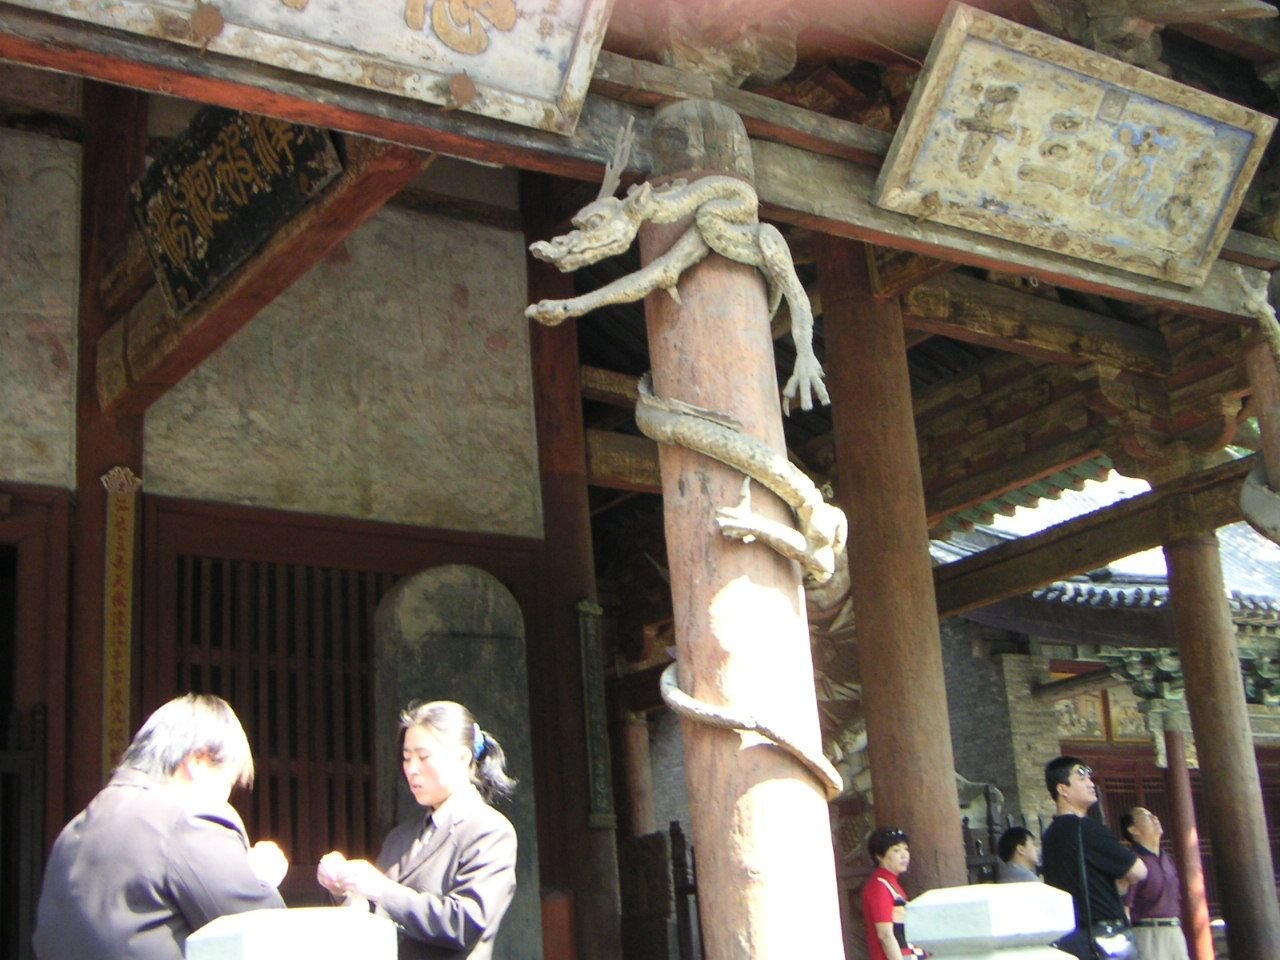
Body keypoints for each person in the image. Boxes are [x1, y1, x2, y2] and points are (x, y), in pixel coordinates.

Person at [32, 693, 287, 960]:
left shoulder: (74, 831)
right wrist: (260, 879)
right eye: (228, 782)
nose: (226, 796)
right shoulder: (189, 818)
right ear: (198, 761)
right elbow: (271, 942)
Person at [318, 700, 518, 960]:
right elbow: (375, 915)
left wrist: (380, 888)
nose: (412, 769)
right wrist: (344, 891)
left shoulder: (490, 831)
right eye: (406, 758)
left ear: (462, 758)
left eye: (423, 757)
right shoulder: (400, 837)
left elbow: (463, 923)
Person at [1041, 756, 1147, 960]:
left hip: (1068, 938)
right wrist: (1121, 881)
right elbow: (1139, 871)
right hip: (1105, 937)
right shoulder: (1087, 829)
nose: (1091, 784)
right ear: (1062, 789)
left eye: (1090, 778)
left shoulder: (1050, 835)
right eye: (1081, 778)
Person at [1120, 807, 1190, 960]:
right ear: (1133, 829)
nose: (1155, 818)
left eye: (1153, 815)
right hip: (1149, 933)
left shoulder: (1167, 858)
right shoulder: (1133, 862)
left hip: (1175, 930)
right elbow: (1125, 907)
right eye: (1147, 816)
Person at [861, 825, 925, 960]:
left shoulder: (890, 883)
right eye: (896, 850)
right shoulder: (879, 886)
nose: (904, 855)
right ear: (879, 855)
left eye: (906, 849)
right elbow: (885, 935)